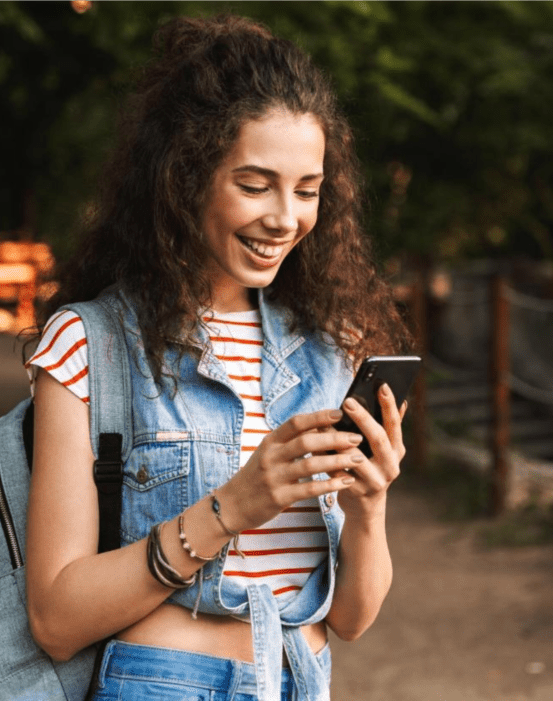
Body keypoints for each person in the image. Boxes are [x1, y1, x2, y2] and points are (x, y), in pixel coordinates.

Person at [23, 14, 413, 701]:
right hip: (163, 684)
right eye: (256, 184)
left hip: (300, 678)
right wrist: (233, 505)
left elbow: (351, 619)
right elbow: (55, 618)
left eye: (308, 188)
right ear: (185, 177)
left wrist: (370, 506)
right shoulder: (91, 345)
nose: (285, 217)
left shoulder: (332, 346)